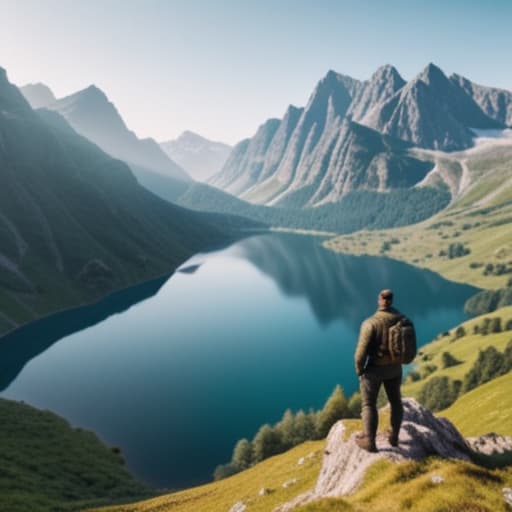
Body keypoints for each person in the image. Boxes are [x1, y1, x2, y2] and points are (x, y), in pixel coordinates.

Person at [354, 289, 404, 452]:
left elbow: (360, 355)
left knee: (368, 404)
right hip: (395, 369)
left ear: (380, 300)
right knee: (396, 401)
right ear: (392, 300)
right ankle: (394, 437)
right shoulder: (402, 319)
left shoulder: (370, 323)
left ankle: (370, 442)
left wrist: (360, 371)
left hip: (374, 370)